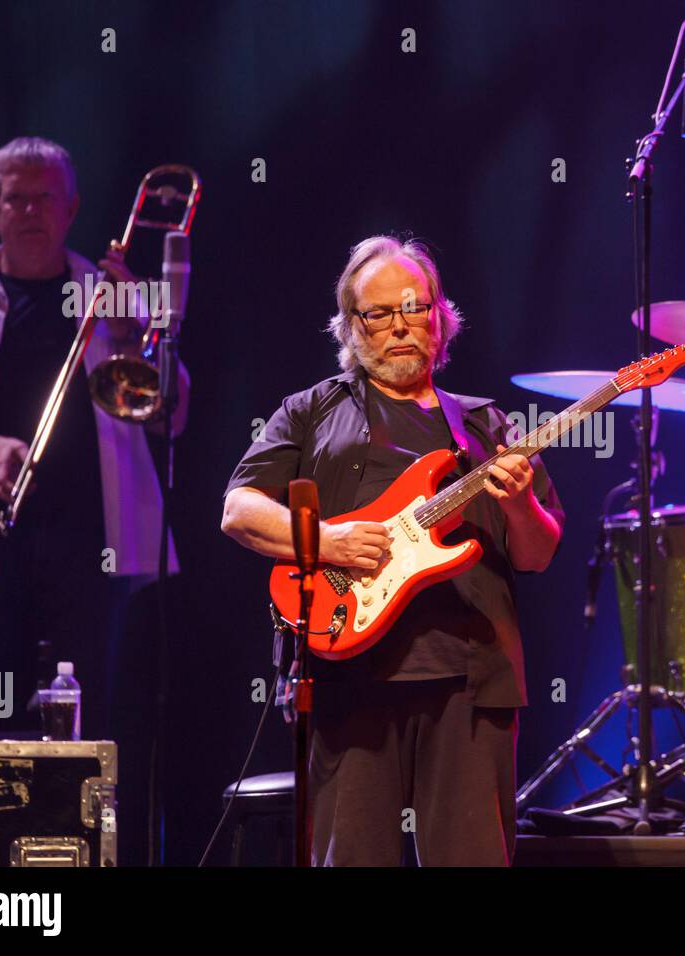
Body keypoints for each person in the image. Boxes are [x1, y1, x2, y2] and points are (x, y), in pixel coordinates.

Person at [221, 235, 563, 866]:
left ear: (440, 317)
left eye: (415, 308)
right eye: (379, 314)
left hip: (471, 679)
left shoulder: (486, 425)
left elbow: (538, 554)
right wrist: (325, 541)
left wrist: (519, 502)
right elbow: (239, 511)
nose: (400, 326)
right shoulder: (312, 410)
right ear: (352, 327)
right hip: (349, 672)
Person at [0, 136, 188, 864]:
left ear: (71, 209)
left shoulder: (110, 295)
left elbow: (171, 414)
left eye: (44, 198)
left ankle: (78, 865)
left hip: (93, 550)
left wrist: (134, 331)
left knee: (91, 730)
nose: (30, 210)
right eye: (15, 197)